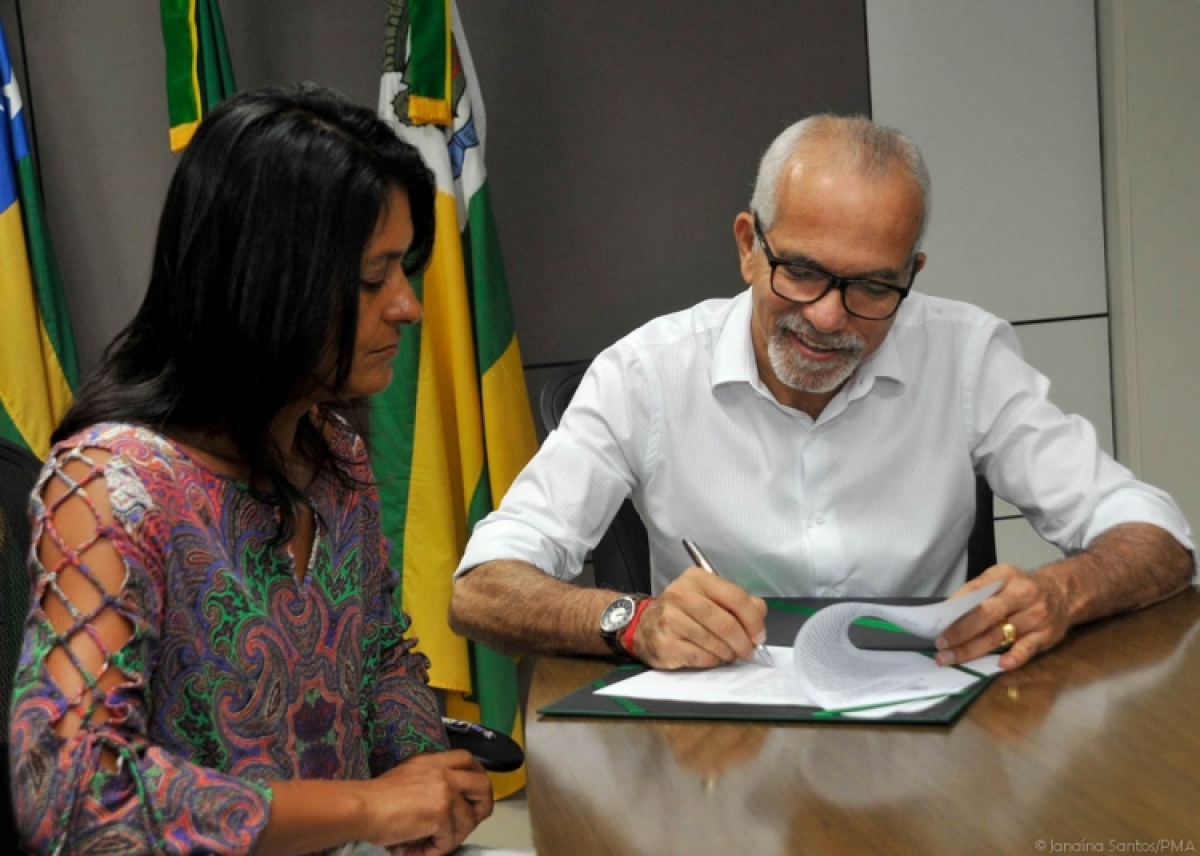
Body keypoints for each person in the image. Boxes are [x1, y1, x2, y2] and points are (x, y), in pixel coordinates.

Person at [449, 114, 1195, 674]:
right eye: (801, 271)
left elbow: (1158, 537)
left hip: (926, 719)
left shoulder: (966, 355)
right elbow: (482, 586)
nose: (829, 316)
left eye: (873, 285)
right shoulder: (646, 371)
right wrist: (630, 620)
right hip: (712, 743)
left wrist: (1061, 593)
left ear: (913, 272)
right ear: (749, 244)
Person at [8, 84, 493, 855]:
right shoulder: (109, 488)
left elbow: (376, 658)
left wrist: (423, 772)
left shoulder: (334, 455)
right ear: (270, 281)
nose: (408, 306)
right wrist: (367, 809)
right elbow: (71, 793)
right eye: (375, 279)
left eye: (406, 271)